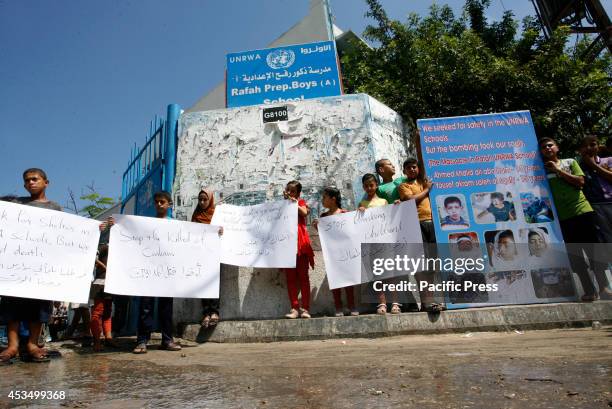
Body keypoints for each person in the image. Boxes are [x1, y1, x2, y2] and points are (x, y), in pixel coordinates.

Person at [0, 168, 62, 364]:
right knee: (12, 306)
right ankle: (12, 346)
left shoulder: (55, 208)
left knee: (39, 307)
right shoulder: (15, 204)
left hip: (41, 266)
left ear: (46, 182)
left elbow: (65, 233)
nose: (30, 183)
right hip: (16, 264)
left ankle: (33, 345)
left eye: (35, 179)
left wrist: (95, 229)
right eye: (27, 181)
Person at [539, 137, 609, 301]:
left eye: (550, 145)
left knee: (594, 252)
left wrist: (557, 170)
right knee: (576, 257)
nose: (547, 148)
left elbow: (580, 182)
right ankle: (589, 291)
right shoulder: (540, 170)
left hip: (583, 212)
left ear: (557, 147)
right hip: (563, 218)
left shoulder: (570, 162)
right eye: (544, 147)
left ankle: (604, 288)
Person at [134, 191, 182, 352]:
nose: (159, 204)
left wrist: (215, 233)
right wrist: (115, 224)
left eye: (162, 202)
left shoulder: (175, 226)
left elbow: (191, 242)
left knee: (166, 308)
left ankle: (167, 340)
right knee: (145, 307)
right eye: (156, 202)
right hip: (149, 271)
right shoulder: (148, 224)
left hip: (167, 273)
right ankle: (142, 341)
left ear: (169, 204)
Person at [398, 158, 445, 312]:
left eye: (414, 167)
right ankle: (426, 301)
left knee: (432, 264)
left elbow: (423, 157)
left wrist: (418, 137)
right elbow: (410, 200)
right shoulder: (404, 185)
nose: (412, 169)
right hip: (415, 225)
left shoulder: (423, 180)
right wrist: (427, 190)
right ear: (404, 171)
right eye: (409, 168)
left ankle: (430, 301)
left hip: (433, 224)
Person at [359, 174, 401, 314]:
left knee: (390, 274)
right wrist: (360, 213)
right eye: (366, 185)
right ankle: (382, 303)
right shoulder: (362, 204)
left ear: (376, 185)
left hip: (386, 241)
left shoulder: (384, 201)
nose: (369, 188)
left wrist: (396, 206)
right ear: (363, 187)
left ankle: (395, 303)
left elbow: (391, 217)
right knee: (377, 274)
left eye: (371, 185)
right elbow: (358, 224)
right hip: (371, 244)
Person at [313, 187, 358, 317]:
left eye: (324, 198)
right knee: (335, 281)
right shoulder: (323, 217)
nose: (322, 200)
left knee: (349, 280)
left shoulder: (344, 213)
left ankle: (352, 305)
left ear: (333, 199)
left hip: (346, 252)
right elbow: (324, 235)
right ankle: (338, 307)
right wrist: (317, 226)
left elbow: (352, 230)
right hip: (332, 255)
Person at [282, 181, 315, 319]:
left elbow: (304, 212)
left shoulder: (300, 202)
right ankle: (294, 308)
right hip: (287, 245)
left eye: (293, 191)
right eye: (287, 190)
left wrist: (293, 201)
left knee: (303, 277)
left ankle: (305, 308)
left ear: (298, 194)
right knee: (290, 279)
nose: (289, 193)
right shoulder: (281, 206)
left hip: (301, 245)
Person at [191, 189, 222, 328]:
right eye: (200, 200)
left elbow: (226, 229)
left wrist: (221, 230)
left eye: (205, 199)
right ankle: (205, 313)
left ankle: (214, 312)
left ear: (210, 200)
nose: (202, 202)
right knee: (202, 284)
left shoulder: (217, 214)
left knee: (214, 283)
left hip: (215, 254)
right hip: (200, 255)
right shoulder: (196, 215)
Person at [579, 135, 612, 243]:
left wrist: (593, 165)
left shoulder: (608, 160)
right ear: (580, 150)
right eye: (585, 146)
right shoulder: (578, 166)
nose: (588, 148)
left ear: (598, 146)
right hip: (595, 205)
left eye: (593, 144)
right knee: (606, 236)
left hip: (610, 201)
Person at [89, 244, 118, 352]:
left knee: (107, 312)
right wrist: (105, 267)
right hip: (100, 283)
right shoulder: (104, 246)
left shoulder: (117, 246)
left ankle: (108, 338)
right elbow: (92, 257)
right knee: (98, 312)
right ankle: (96, 341)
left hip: (110, 283)